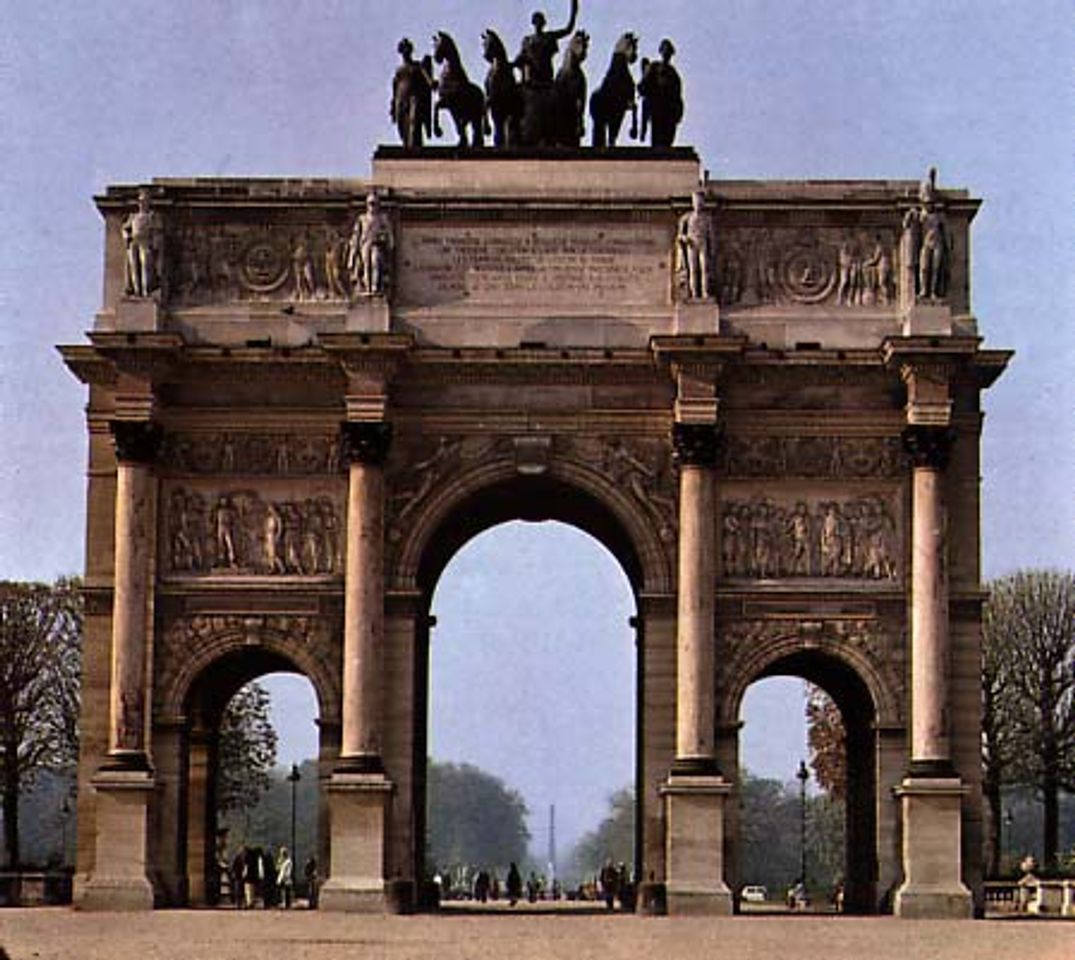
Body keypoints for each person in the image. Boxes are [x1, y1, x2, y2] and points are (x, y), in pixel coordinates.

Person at [514, 0, 580, 86]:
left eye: (540, 21)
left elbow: (568, 30)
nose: (538, 23)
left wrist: (573, 13)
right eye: (536, 21)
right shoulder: (527, 41)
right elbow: (521, 57)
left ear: (543, 23)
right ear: (533, 23)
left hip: (546, 77)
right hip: (530, 79)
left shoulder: (549, 37)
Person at [122, 187, 162, 297]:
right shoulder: (133, 216)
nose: (142, 203)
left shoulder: (152, 216)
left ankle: (146, 291)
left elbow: (157, 231)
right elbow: (125, 229)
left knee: (146, 265)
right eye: (140, 201)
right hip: (134, 242)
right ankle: (137, 291)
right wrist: (126, 237)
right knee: (134, 266)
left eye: (144, 201)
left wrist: (155, 243)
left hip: (146, 242)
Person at [677, 190, 716, 300]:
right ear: (693, 203)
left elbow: (711, 234)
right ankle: (693, 293)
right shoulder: (687, 217)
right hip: (691, 245)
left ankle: (705, 292)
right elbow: (680, 235)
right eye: (696, 201)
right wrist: (684, 238)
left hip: (703, 244)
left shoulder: (707, 218)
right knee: (692, 269)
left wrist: (712, 249)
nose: (698, 204)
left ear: (703, 203)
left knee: (704, 269)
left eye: (700, 201)